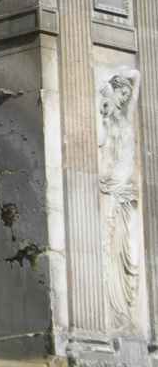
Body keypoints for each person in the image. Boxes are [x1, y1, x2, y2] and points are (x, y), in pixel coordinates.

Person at [99, 69, 141, 331]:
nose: (125, 98)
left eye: (126, 94)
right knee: (109, 249)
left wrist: (119, 83)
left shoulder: (124, 120)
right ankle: (114, 315)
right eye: (121, 93)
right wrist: (104, 98)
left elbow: (136, 74)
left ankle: (121, 315)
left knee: (125, 252)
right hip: (111, 191)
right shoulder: (105, 121)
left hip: (123, 193)